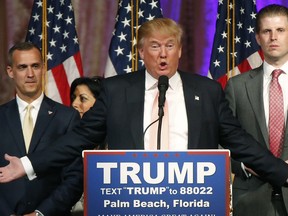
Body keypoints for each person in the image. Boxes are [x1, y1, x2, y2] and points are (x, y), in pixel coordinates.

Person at [1, 18, 288, 196]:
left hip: (192, 200)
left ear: (180, 50)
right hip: (131, 200)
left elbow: (239, 142)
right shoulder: (116, 90)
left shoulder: (207, 90)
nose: (163, 54)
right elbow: (78, 139)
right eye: (154, 46)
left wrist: (283, 174)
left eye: (170, 45)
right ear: (140, 52)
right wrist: (27, 165)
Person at [0, 42, 83, 216]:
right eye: (22, 67)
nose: (30, 74)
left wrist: (41, 213)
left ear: (43, 68)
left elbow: (76, 177)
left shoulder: (67, 117)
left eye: (35, 66)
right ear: (10, 71)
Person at [225, 4, 288, 216]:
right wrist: (243, 165)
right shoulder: (237, 86)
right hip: (251, 199)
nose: (273, 37)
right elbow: (220, 140)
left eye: (280, 30)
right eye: (266, 31)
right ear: (257, 38)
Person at [69, 76, 104, 215]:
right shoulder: (66, 142)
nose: (74, 104)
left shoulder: (116, 143)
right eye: (73, 98)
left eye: (82, 99)